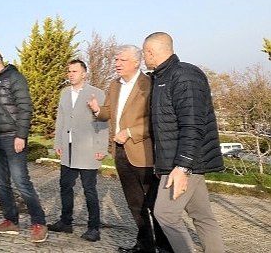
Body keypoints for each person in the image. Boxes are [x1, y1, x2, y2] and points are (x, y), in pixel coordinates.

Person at [142, 32, 225, 253]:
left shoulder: (184, 76)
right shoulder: (161, 77)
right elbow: (164, 127)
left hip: (185, 162)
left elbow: (193, 124)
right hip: (179, 162)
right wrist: (162, 165)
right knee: (202, 216)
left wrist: (181, 166)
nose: (144, 59)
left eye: (144, 53)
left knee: (165, 214)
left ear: (150, 52)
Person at [87, 45, 172, 253]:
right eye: (116, 60)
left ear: (136, 62)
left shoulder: (149, 84)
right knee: (135, 204)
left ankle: (165, 248)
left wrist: (130, 132)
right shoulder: (114, 85)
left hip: (144, 154)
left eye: (122, 60)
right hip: (120, 152)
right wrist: (97, 109)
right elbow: (108, 111)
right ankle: (144, 246)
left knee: (154, 205)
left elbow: (156, 120)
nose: (117, 63)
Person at [0, 50, 48, 243]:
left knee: (21, 182)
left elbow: (25, 107)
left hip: (12, 138)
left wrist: (21, 135)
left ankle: (39, 223)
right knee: (1, 183)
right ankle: (11, 221)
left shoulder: (15, 78)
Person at [47, 59, 108, 242]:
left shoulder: (96, 93)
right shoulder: (65, 94)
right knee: (65, 186)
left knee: (89, 189)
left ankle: (94, 228)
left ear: (84, 73)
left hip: (88, 149)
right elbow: (61, 120)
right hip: (68, 149)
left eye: (74, 71)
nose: (71, 74)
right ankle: (66, 222)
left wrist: (101, 147)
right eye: (69, 71)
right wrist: (58, 143)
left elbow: (103, 122)